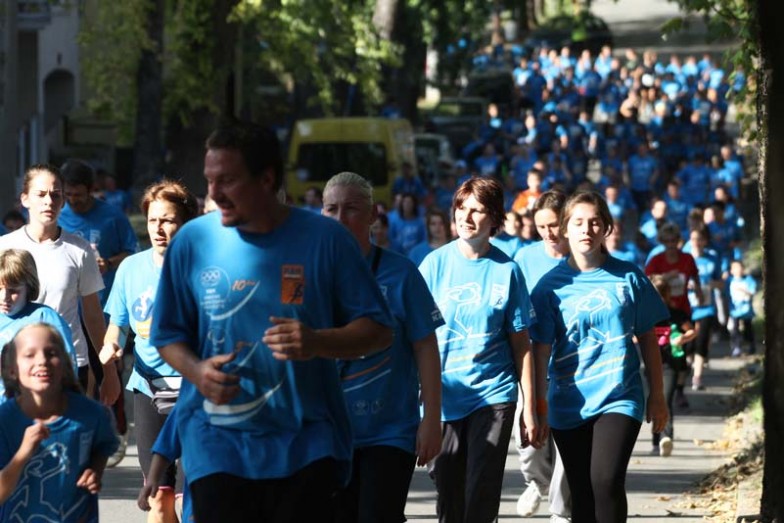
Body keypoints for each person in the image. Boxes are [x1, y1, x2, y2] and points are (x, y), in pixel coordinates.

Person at [148, 120, 394, 522]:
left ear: (266, 179)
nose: (214, 193)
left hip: (305, 445)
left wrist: (317, 341)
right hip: (216, 441)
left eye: (228, 180)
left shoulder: (326, 239)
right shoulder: (192, 242)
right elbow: (166, 335)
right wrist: (196, 371)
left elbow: (379, 330)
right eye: (209, 180)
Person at [530, 191, 669, 523]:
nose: (586, 229)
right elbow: (540, 350)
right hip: (569, 402)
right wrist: (537, 405)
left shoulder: (629, 276)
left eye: (594, 222)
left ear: (606, 227)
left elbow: (649, 338)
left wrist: (658, 395)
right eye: (578, 222)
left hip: (620, 395)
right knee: (581, 491)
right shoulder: (549, 287)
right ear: (565, 229)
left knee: (605, 481)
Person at [321, 171, 443, 523]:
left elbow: (426, 346)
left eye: (352, 208)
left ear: (373, 215)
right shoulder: (307, 274)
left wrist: (431, 418)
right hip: (327, 434)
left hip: (389, 432)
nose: (340, 218)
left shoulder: (402, 274)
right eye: (332, 209)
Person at [418, 176, 538, 523]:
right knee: (450, 495)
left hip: (493, 395)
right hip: (444, 397)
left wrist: (530, 408)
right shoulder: (432, 266)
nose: (466, 217)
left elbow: (522, 345)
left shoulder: (508, 271)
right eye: (461, 207)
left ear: (495, 219)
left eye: (477, 210)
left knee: (481, 492)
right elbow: (415, 338)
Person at [102, 180, 198, 523]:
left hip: (194, 390)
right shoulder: (131, 268)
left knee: (191, 499)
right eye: (153, 220)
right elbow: (118, 324)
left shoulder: (201, 267)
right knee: (158, 495)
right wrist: (111, 345)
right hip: (148, 388)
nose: (158, 229)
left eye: (168, 220)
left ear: (185, 222)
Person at [0, 164, 120, 405]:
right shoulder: (4, 246)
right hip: (14, 366)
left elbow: (93, 316)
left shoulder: (79, 250)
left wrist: (108, 372)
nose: (49, 201)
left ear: (63, 200)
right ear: (25, 199)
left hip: (68, 363)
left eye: (56, 195)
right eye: (41, 194)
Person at [0, 323, 118, 522]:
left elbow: (104, 445)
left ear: (65, 364)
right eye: (29, 355)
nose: (42, 361)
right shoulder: (5, 421)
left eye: (51, 353)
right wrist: (23, 453)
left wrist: (95, 470)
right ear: (12, 370)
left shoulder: (90, 414)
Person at [512, 190, 572, 521]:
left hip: (570, 363)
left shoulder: (580, 256)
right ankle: (537, 483)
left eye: (553, 225)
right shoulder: (524, 258)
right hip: (531, 361)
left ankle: (560, 508)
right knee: (529, 436)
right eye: (541, 227)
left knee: (564, 439)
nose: (548, 233)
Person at [0, 249, 78, 397]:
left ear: (29, 287)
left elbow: (68, 368)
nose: (4, 297)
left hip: (35, 404)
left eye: (13, 291)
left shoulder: (45, 317)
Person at [649, 275, 696, 457]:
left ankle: (665, 438)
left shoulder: (675, 314)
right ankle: (656, 440)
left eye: (661, 295)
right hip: (648, 366)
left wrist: (682, 338)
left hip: (670, 365)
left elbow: (691, 330)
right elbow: (631, 334)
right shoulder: (644, 316)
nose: (658, 299)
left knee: (665, 399)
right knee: (651, 401)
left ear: (667, 295)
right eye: (655, 295)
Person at [727, 259, 757, 357]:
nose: (738, 270)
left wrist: (744, 291)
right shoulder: (729, 281)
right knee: (735, 329)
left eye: (740, 267)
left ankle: (751, 346)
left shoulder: (748, 279)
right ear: (731, 270)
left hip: (746, 310)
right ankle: (736, 347)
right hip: (734, 311)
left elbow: (753, 291)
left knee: (748, 329)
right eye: (735, 268)